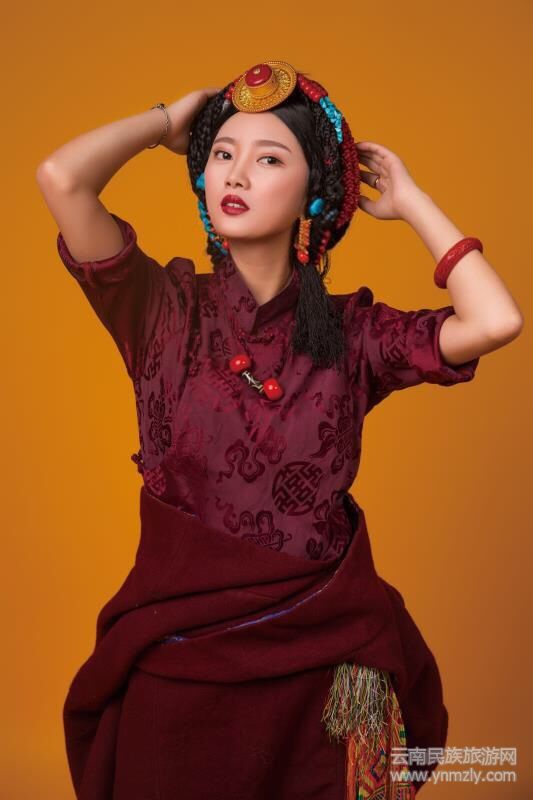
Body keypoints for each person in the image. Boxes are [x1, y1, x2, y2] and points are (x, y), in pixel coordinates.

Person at [36, 60, 522, 800]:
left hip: (328, 660)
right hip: (182, 660)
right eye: (222, 153)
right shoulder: (160, 309)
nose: (235, 173)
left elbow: (495, 320)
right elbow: (62, 178)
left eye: (268, 159)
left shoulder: (354, 333)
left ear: (313, 192)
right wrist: (169, 123)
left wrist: (415, 204)